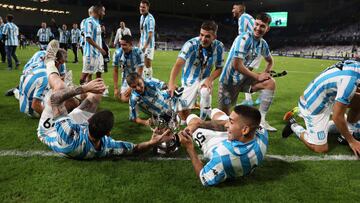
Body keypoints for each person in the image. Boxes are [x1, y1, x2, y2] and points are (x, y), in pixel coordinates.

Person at [41, 41, 172, 159]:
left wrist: (84, 88)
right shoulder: (105, 147)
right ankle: (71, 91)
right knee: (98, 93)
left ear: (88, 122)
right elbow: (135, 149)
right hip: (78, 133)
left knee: (60, 88)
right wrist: (151, 142)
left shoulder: (67, 136)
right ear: (108, 134)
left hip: (51, 129)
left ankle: (50, 62)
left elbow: (55, 100)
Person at [282, 60, 360, 156]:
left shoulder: (356, 67)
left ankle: (348, 130)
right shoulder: (350, 81)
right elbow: (337, 117)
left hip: (327, 97)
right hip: (312, 106)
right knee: (320, 148)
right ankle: (294, 126)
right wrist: (352, 141)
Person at [178, 105, 268, 186]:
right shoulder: (262, 132)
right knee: (216, 112)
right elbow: (226, 123)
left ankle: (189, 119)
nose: (226, 124)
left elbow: (204, 178)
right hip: (237, 138)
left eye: (231, 122)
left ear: (245, 130)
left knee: (192, 118)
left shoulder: (223, 156)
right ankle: (209, 116)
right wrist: (201, 124)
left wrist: (190, 147)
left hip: (214, 144)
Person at [218, 12, 277, 132]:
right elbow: (236, 65)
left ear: (267, 28)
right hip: (228, 82)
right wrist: (257, 76)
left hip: (244, 80)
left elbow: (270, 61)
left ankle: (261, 121)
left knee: (270, 83)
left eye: (262, 26)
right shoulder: (244, 38)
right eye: (257, 24)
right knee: (225, 120)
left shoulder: (263, 44)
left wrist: (266, 73)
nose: (258, 28)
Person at [168, 21, 225, 122]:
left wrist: (210, 79)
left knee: (205, 92)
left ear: (214, 37)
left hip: (205, 79)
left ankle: (202, 120)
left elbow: (219, 67)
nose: (203, 39)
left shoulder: (219, 46)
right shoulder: (190, 44)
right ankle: (178, 114)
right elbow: (178, 64)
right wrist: (171, 83)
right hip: (189, 80)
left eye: (207, 36)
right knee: (183, 119)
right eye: (201, 35)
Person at [19, 49, 67, 117]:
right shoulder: (45, 77)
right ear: (56, 61)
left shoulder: (39, 59)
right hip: (31, 109)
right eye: (60, 63)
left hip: (24, 94)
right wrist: (50, 118)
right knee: (63, 101)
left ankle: (17, 91)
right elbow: (35, 105)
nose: (60, 66)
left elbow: (24, 73)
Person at [232, 2, 261, 106]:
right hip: (255, 49)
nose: (232, 10)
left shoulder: (243, 17)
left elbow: (242, 36)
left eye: (234, 8)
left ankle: (259, 94)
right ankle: (258, 94)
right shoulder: (248, 17)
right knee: (246, 75)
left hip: (253, 50)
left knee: (244, 75)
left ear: (239, 9)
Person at [80, 4, 106, 84]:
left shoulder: (97, 22)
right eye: (103, 11)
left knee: (99, 73)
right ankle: (80, 90)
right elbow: (88, 38)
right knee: (85, 74)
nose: (104, 13)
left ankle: (98, 90)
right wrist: (100, 49)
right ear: (98, 11)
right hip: (90, 54)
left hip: (98, 54)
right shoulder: (89, 21)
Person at [113, 35, 144, 102]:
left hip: (138, 77)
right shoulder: (117, 53)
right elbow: (115, 71)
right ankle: (138, 95)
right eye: (121, 45)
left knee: (140, 91)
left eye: (124, 45)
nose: (122, 47)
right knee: (124, 99)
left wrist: (132, 87)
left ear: (130, 44)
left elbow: (140, 70)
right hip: (126, 78)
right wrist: (115, 88)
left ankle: (141, 93)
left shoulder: (138, 52)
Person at [139, 0, 155, 79]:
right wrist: (140, 44)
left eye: (143, 7)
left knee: (147, 64)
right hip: (142, 44)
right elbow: (141, 32)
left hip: (148, 45)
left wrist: (145, 47)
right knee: (141, 63)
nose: (141, 8)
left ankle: (149, 81)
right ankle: (143, 80)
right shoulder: (141, 17)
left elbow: (150, 34)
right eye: (141, 7)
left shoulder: (150, 19)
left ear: (147, 8)